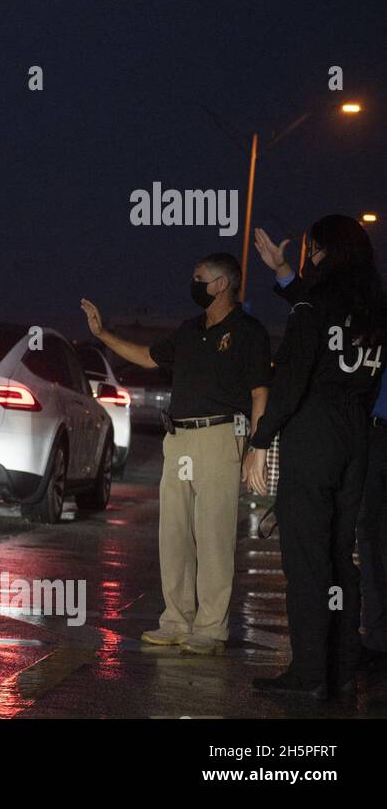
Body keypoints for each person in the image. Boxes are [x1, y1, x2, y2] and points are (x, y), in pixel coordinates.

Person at [81, 253, 270, 655]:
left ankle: (211, 628)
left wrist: (257, 446)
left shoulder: (249, 332)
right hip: (180, 439)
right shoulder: (190, 330)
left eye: (199, 277)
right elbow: (149, 357)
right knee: (175, 534)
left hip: (220, 436)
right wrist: (103, 334)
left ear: (221, 284)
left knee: (214, 535)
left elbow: (259, 392)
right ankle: (176, 620)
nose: (193, 283)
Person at [246, 216, 386, 697]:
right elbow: (328, 320)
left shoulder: (313, 302)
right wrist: (285, 271)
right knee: (340, 558)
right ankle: (342, 667)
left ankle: (309, 675)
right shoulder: (374, 305)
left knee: (306, 559)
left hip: (315, 431)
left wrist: (261, 441)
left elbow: (291, 376)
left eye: (310, 250)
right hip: (356, 435)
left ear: (321, 251)